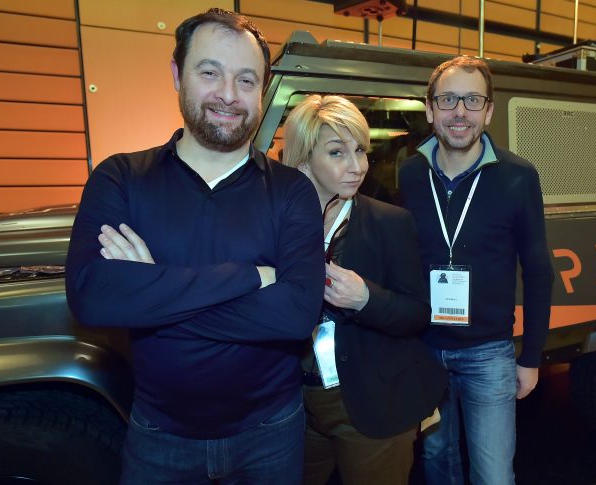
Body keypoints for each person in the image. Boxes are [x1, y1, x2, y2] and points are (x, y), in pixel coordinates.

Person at [65, 9, 325, 484]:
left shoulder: (292, 191)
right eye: (210, 72)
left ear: (262, 91)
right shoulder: (121, 178)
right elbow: (91, 296)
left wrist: (149, 291)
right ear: (177, 75)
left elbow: (296, 316)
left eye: (246, 80)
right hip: (159, 435)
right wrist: (250, 277)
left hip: (271, 432)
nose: (228, 94)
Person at [398, 56, 554, 485]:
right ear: (429, 109)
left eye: (472, 100)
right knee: (436, 458)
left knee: (493, 473)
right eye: (448, 99)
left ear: (488, 111)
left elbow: (538, 270)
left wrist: (531, 357)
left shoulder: (518, 177)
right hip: (425, 348)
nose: (459, 112)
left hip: (489, 353)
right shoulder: (409, 174)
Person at [281, 94, 447, 485]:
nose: (357, 166)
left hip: (369, 401)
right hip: (293, 403)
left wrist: (366, 299)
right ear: (303, 160)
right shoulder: (276, 225)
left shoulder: (390, 222)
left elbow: (418, 312)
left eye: (360, 151)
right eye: (337, 153)